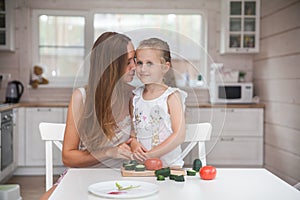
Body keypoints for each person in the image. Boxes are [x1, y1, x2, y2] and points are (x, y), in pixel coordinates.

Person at [40, 32, 137, 199]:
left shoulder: (135, 97)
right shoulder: (81, 98)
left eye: (134, 59)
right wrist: (108, 152)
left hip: (122, 178)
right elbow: (69, 157)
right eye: (128, 61)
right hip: (84, 177)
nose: (135, 66)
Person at [129, 38, 187, 168]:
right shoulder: (135, 97)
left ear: (165, 67)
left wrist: (150, 155)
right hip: (142, 167)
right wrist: (134, 145)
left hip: (170, 167)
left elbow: (179, 135)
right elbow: (133, 133)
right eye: (139, 63)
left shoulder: (171, 97)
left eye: (150, 63)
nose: (143, 68)